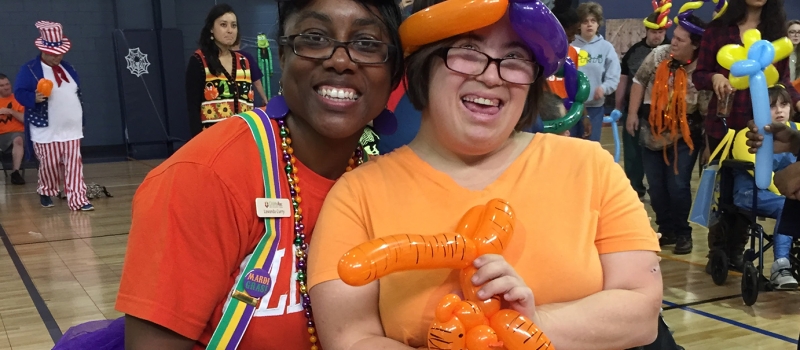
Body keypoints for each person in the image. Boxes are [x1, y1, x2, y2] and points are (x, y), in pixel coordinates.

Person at [308, 1, 662, 349]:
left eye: (515, 58)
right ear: (424, 67)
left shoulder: (590, 167)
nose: (491, 75)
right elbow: (349, 337)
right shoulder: (357, 194)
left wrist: (526, 328)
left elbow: (641, 310)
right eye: (468, 51)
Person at [115, 0, 404, 349]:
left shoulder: (391, 183)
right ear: (283, 56)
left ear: (394, 75)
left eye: (367, 44)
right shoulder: (201, 177)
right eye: (315, 37)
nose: (339, 60)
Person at [692, 0, 799, 263]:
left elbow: (783, 81)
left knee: (752, 189)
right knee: (723, 193)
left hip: (763, 127)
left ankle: (738, 251)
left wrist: (795, 100)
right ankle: (718, 252)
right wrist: (715, 77)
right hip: (725, 127)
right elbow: (700, 74)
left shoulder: (776, 33)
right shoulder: (718, 29)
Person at [627, 12, 711, 255]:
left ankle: (684, 233)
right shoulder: (658, 55)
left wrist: (707, 145)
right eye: (674, 37)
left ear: (695, 45)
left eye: (681, 40)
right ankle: (666, 230)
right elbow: (638, 81)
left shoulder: (702, 70)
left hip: (685, 135)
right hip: (652, 130)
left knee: (678, 185)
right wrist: (632, 114)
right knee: (656, 186)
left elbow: (707, 112)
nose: (673, 42)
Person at [13, 21, 93, 211]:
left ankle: (78, 199)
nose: (57, 58)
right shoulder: (30, 69)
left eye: (59, 54)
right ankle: (47, 190)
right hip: (46, 128)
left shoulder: (69, 68)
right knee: (49, 163)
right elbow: (19, 92)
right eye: (52, 54)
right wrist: (34, 97)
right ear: (43, 51)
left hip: (71, 127)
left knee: (74, 164)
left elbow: (76, 95)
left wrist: (81, 121)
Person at [732, 85, 798, 290]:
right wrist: (790, 195)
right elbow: (764, 179)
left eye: (784, 104)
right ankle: (780, 266)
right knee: (787, 206)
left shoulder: (795, 131)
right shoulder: (750, 135)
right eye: (772, 106)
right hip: (751, 193)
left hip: (785, 191)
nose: (779, 111)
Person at [615, 2, 670, 200]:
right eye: (654, 31)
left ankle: (661, 193)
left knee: (662, 157)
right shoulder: (634, 52)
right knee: (633, 155)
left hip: (664, 115)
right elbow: (624, 81)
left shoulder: (672, 52)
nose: (657, 36)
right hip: (636, 113)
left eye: (661, 32)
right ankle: (635, 191)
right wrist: (619, 109)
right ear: (646, 30)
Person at [185, 4, 254, 137]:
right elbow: (193, 110)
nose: (230, 30)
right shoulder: (199, 60)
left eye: (234, 25)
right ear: (211, 28)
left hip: (243, 138)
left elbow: (249, 104)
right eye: (223, 25)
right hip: (213, 141)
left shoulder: (244, 62)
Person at [572, 1, 620, 142]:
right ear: (579, 24)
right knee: (570, 147)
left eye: (593, 20)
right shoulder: (570, 45)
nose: (589, 24)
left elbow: (614, 76)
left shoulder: (606, 47)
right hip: (571, 107)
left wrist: (604, 88)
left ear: (598, 23)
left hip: (594, 108)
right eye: (585, 21)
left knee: (591, 148)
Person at [0, 74, 26, 185]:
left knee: (18, 139)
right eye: (2, 85)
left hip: (18, 133)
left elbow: (26, 120)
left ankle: (15, 173)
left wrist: (10, 112)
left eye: (7, 84)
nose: (6, 87)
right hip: (1, 136)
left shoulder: (18, 99)